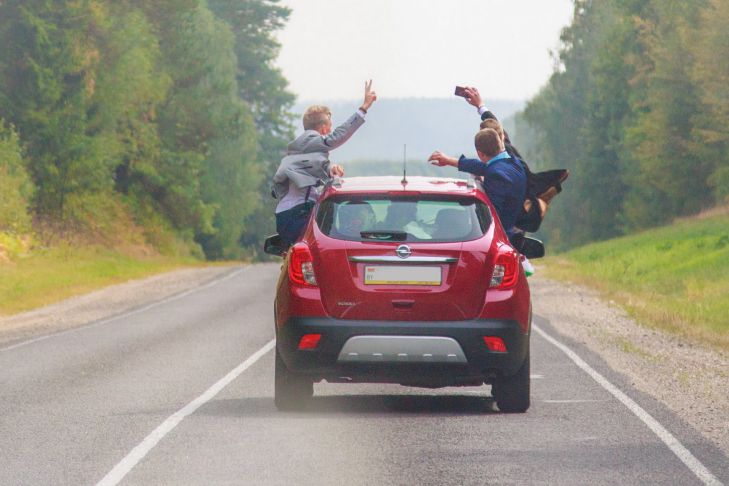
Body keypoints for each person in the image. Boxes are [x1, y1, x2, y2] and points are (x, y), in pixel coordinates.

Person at [272, 80, 377, 247]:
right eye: (329, 126)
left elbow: (312, 165)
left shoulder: (299, 148)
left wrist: (329, 168)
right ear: (323, 128)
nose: (330, 131)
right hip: (299, 213)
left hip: (285, 214)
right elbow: (338, 136)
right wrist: (363, 108)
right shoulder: (312, 140)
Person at [429, 128, 527, 238]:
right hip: (513, 229)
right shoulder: (514, 162)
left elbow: (492, 215)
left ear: (480, 154)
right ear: (499, 144)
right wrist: (449, 160)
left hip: (502, 237)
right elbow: (482, 167)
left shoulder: (495, 174)